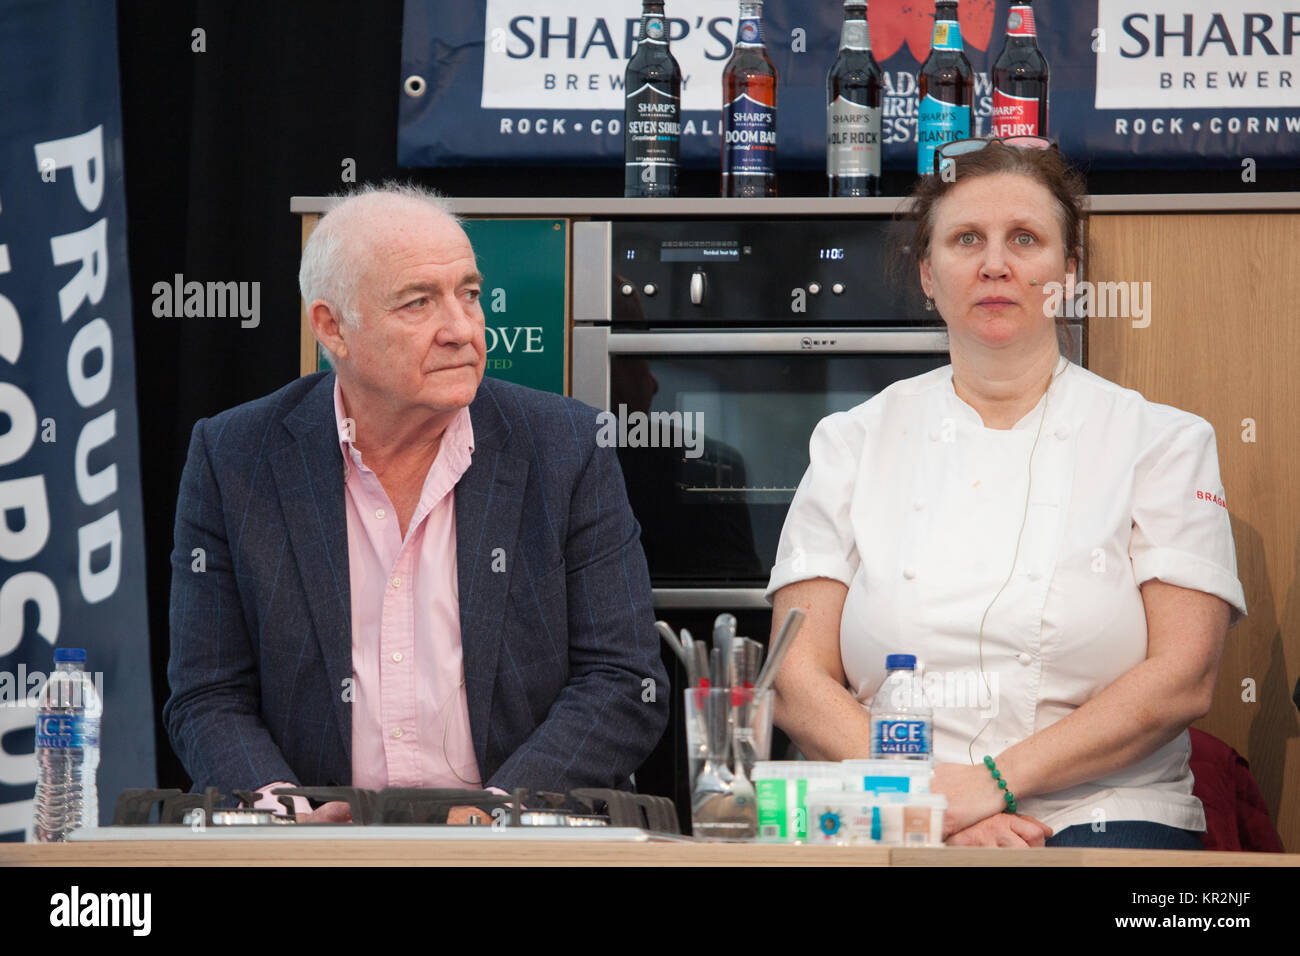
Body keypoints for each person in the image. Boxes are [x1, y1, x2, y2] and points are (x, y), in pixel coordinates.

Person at [765, 140, 1247, 849]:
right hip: (894, 813)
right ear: (929, 275)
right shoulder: (852, 442)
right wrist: (930, 805)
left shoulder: (1163, 441)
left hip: (1105, 812)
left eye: (1025, 238)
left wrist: (991, 783)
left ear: (1070, 273)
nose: (996, 264)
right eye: (967, 240)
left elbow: (1184, 677)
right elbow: (795, 678)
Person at [164, 184, 668, 822]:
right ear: (332, 327)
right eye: (418, 302)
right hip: (315, 858)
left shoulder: (567, 449)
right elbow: (208, 696)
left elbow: (623, 683)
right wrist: (285, 817)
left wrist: (501, 811)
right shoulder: (234, 457)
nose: (462, 329)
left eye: (469, 294)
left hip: (516, 855)